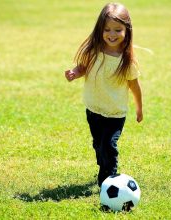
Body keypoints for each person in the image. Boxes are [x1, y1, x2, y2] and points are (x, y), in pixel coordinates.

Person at [64, 3, 143, 187]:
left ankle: (108, 181)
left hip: (115, 114)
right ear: (100, 29)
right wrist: (75, 73)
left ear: (127, 30)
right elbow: (84, 67)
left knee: (109, 146)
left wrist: (139, 108)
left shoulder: (127, 61)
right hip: (93, 109)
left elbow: (135, 86)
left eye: (118, 30)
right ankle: (103, 166)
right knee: (99, 146)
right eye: (107, 29)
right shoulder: (94, 52)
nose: (112, 34)